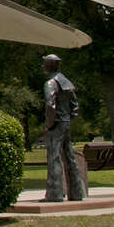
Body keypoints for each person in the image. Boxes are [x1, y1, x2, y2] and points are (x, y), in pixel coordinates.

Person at [42, 54, 85, 202]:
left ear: (49, 65)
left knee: (54, 158)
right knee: (70, 157)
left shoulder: (51, 83)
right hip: (66, 123)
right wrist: (69, 120)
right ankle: (77, 192)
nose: (43, 66)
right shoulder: (66, 82)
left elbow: (50, 105)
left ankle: (55, 194)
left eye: (44, 63)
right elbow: (75, 107)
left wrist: (49, 125)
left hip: (56, 124)